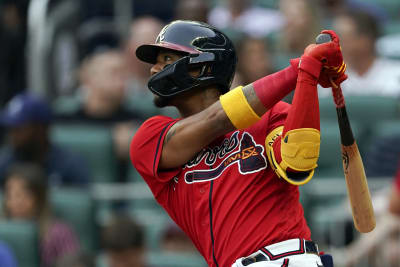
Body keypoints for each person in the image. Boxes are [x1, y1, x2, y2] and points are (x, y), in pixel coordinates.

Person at [130, 20, 346, 267]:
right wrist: (300, 70)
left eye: (166, 59)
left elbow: (297, 163)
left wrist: (308, 78)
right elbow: (217, 120)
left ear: (201, 66)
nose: (154, 69)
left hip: (289, 258)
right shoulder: (149, 138)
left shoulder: (271, 115)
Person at [0, 93, 90, 186]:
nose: (13, 135)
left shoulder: (70, 164)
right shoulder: (5, 162)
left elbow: (81, 198)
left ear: (41, 129)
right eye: (11, 129)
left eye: (19, 129)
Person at [3, 163, 80, 267]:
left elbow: (74, 264)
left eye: (21, 195)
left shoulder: (59, 233)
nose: (14, 201)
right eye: (9, 195)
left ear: (39, 198)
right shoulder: (2, 232)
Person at [329, 10, 400, 97]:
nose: (338, 45)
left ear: (367, 39)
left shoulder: (396, 74)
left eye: (345, 39)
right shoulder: (329, 77)